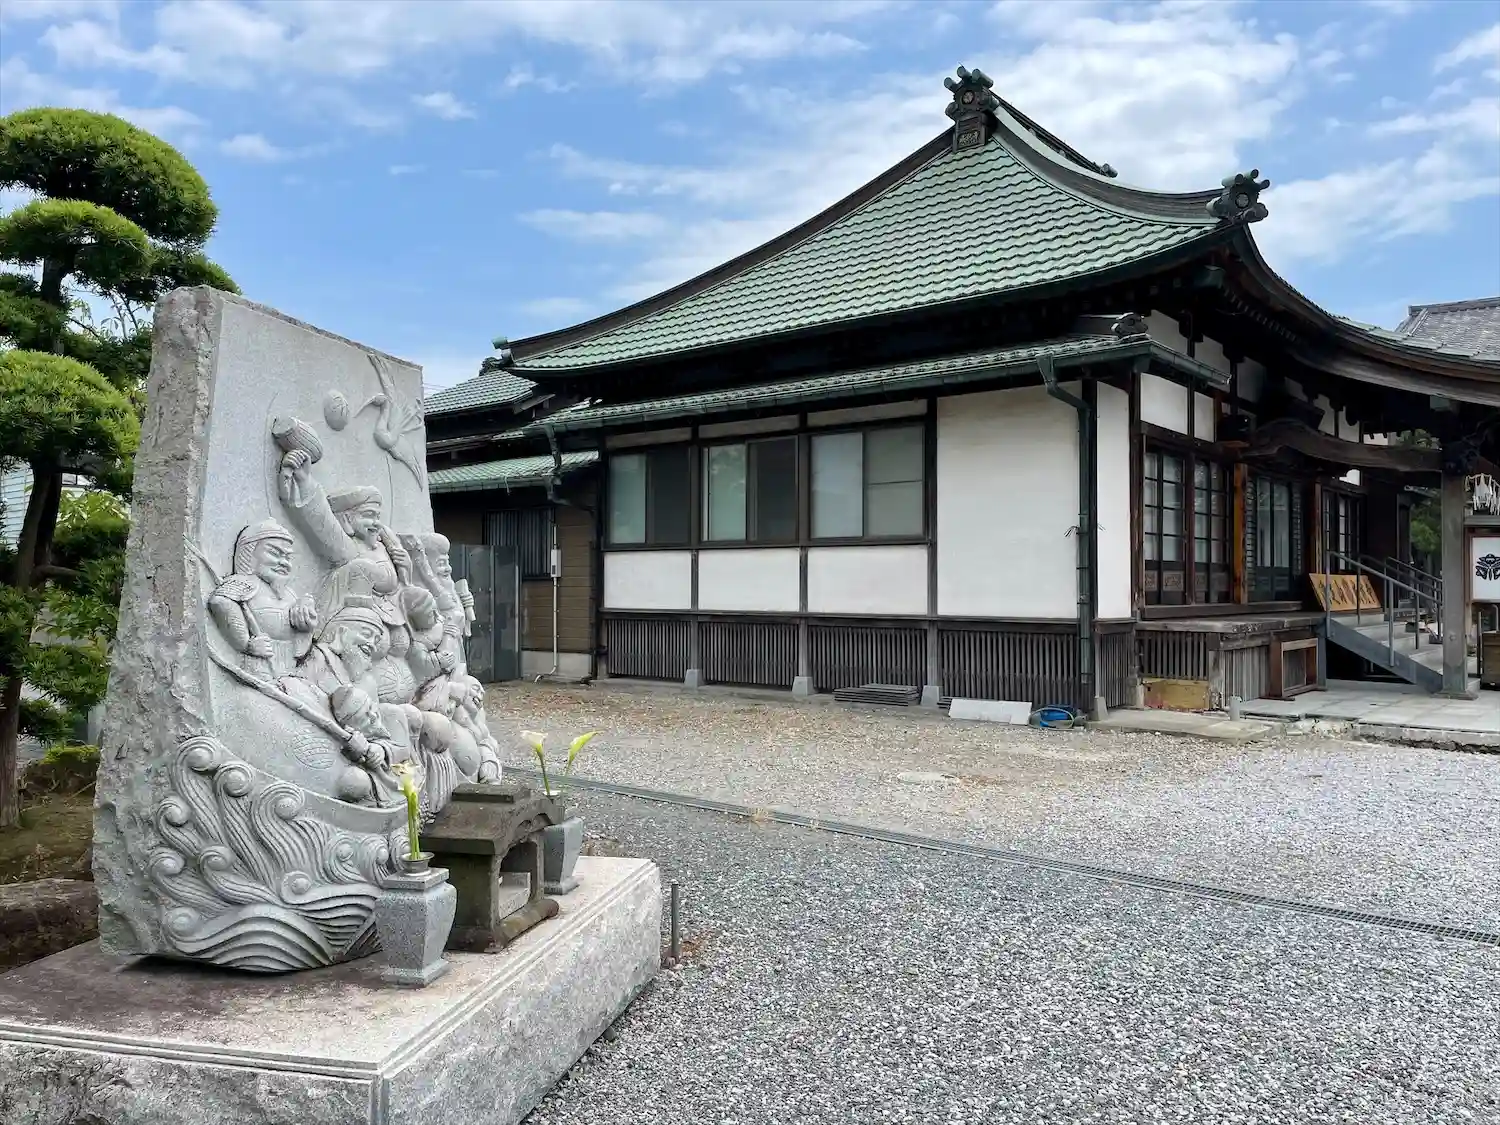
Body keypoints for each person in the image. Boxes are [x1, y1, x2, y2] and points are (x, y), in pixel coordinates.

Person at [207, 520, 317, 679]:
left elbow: (299, 647)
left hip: (287, 670)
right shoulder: (245, 582)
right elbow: (220, 602)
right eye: (274, 553)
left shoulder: (290, 595)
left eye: (287, 557)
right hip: (258, 670)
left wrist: (306, 624)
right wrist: (246, 644)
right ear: (249, 552)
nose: (284, 562)